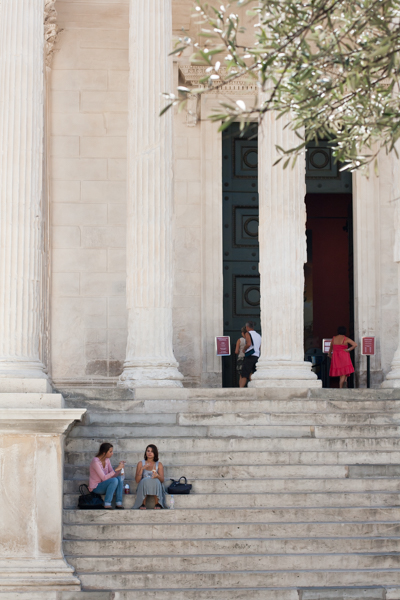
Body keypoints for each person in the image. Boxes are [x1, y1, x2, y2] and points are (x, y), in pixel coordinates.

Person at [89, 442, 125, 510]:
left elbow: (112, 475)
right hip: (96, 487)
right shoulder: (95, 461)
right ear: (104, 453)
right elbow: (104, 478)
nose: (112, 453)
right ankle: (107, 503)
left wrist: (119, 469)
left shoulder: (107, 460)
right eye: (110, 451)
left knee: (119, 479)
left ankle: (118, 503)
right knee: (114, 480)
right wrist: (116, 469)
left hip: (105, 485)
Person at [132, 444, 167, 510]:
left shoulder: (159, 464)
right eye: (148, 451)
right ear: (145, 452)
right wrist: (142, 469)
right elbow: (137, 480)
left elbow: (162, 480)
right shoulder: (140, 463)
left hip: (155, 484)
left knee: (156, 480)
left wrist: (157, 476)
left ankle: (157, 503)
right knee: (144, 480)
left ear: (155, 453)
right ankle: (142, 503)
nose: (149, 453)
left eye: (152, 451)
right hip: (144, 485)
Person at [239, 321, 262, 388]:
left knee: (244, 373)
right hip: (257, 356)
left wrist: (244, 348)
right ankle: (254, 387)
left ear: (247, 327)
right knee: (252, 372)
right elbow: (260, 347)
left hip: (250, 356)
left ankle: (241, 388)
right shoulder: (258, 335)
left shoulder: (248, 333)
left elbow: (248, 344)